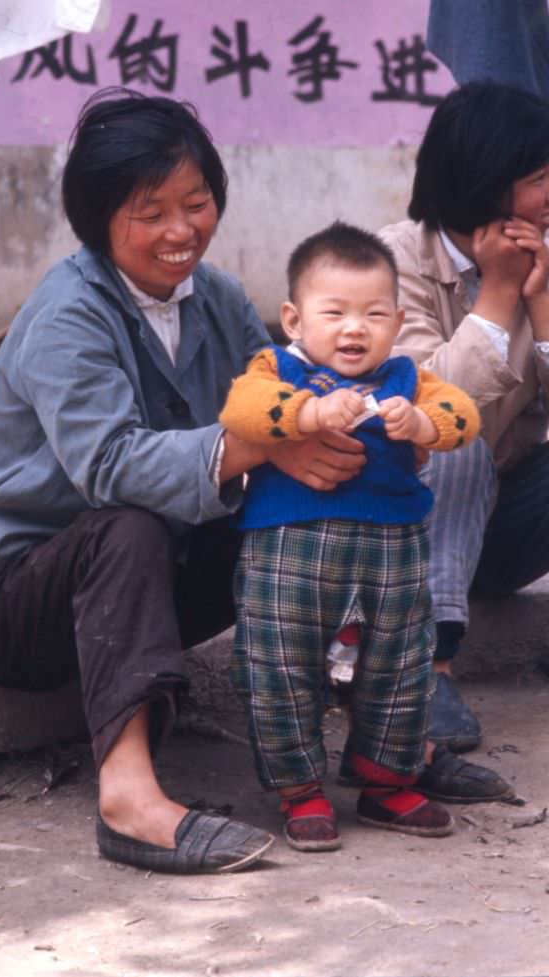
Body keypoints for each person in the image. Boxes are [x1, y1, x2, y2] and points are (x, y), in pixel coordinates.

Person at [0, 88, 367, 875]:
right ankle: (129, 796)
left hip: (153, 577)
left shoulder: (222, 299)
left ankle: (376, 739)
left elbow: (275, 405)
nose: (179, 231)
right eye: (149, 212)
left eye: (195, 203)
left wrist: (325, 437)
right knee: (126, 521)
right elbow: (112, 466)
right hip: (10, 602)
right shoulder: (69, 312)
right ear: (100, 219)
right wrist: (265, 446)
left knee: (314, 501)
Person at [219, 221, 480, 851]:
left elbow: (463, 416)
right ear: (294, 317)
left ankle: (387, 781)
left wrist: (421, 424)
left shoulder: (406, 378)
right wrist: (305, 413)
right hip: (289, 554)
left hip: (392, 555)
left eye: (373, 313)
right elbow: (239, 409)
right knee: (282, 665)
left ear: (396, 320)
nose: (354, 328)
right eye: (333, 312)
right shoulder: (277, 368)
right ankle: (299, 790)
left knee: (402, 663)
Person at [380, 81, 549, 763]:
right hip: (401, 536)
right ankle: (429, 669)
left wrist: (544, 308)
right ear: (488, 187)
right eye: (540, 178)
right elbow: (428, 405)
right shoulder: (388, 260)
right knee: (452, 432)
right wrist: (500, 290)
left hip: (500, 528)